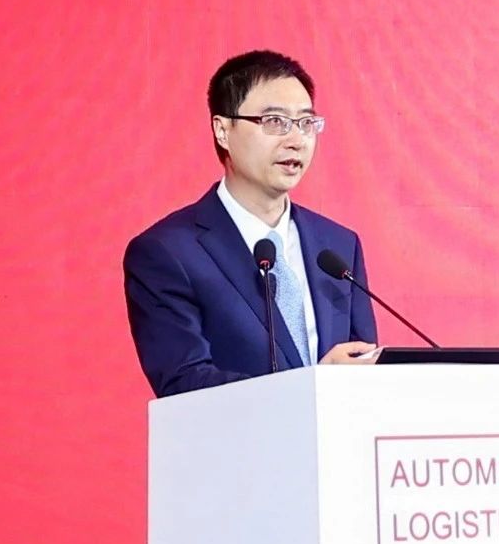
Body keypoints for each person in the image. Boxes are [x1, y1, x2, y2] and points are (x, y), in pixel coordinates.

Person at [124, 50, 379, 397]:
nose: (296, 140)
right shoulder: (167, 252)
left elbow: (362, 367)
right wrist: (312, 386)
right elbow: (184, 383)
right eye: (275, 121)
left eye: (306, 123)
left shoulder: (337, 246)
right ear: (222, 130)